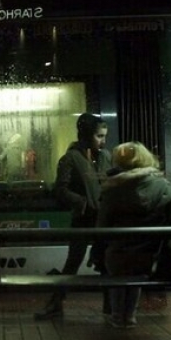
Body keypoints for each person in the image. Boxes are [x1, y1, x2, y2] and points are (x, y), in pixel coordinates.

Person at [35, 113, 112, 320]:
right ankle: (56, 303)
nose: (103, 141)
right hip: (84, 217)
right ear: (86, 135)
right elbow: (60, 190)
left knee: (106, 263)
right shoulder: (70, 158)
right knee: (73, 262)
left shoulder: (105, 157)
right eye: (99, 136)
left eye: (104, 136)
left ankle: (110, 307)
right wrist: (82, 202)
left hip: (103, 218)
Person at [97, 141, 171, 328]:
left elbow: (102, 223)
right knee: (135, 275)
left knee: (118, 273)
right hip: (149, 250)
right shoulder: (162, 185)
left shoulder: (114, 188)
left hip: (118, 251)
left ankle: (117, 316)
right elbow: (169, 211)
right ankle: (130, 315)